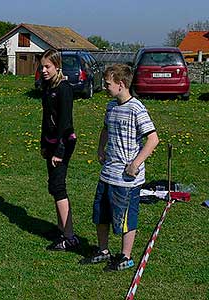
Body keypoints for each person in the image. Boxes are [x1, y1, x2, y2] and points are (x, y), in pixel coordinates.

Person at [80, 64, 159, 271]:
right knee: (101, 213)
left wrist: (135, 164)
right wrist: (100, 148)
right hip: (107, 173)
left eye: (108, 84)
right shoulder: (110, 107)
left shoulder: (137, 108)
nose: (105, 87)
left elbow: (153, 139)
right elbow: (105, 128)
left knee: (125, 218)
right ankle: (103, 250)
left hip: (126, 179)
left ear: (121, 84)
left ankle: (125, 256)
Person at [39, 49, 79, 251]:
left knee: (58, 186)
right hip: (51, 142)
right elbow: (46, 119)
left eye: (48, 66)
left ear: (57, 66)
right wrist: (44, 144)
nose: (44, 70)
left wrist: (59, 151)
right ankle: (61, 229)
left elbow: (65, 122)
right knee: (54, 186)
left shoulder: (64, 89)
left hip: (63, 142)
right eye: (42, 66)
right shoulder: (47, 87)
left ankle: (69, 236)